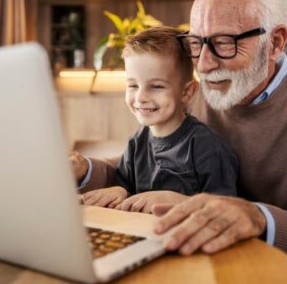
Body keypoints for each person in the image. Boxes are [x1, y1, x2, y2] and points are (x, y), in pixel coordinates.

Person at [72, 0, 287, 283]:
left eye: (225, 43)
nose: (203, 64)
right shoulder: (197, 93)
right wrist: (84, 169)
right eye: (197, 43)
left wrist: (259, 219)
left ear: (276, 42)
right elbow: (147, 163)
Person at [79, 27, 238, 213]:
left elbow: (225, 208)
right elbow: (125, 184)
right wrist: (119, 190)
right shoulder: (136, 143)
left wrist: (179, 201)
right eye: (133, 85)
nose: (141, 97)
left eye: (156, 86)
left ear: (187, 92)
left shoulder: (206, 147)